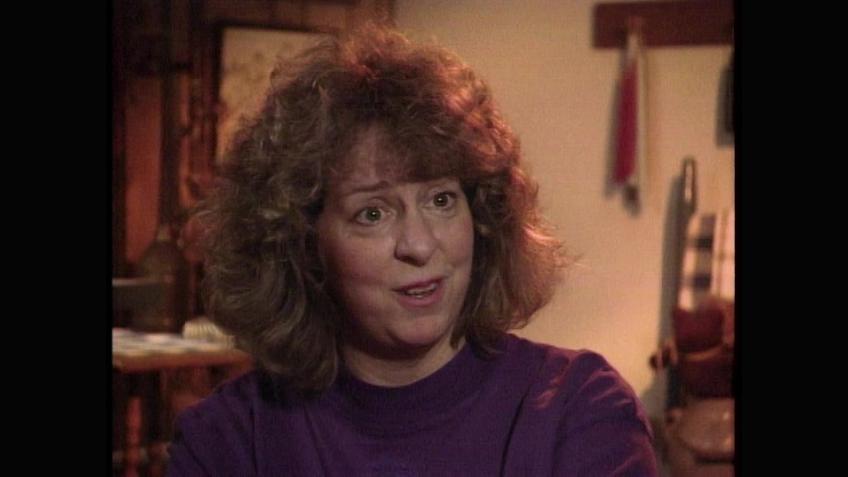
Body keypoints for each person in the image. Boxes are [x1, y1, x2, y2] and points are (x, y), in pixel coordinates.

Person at [167, 25, 658, 476]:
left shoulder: (579, 412)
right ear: (302, 242)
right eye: (373, 213)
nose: (420, 246)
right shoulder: (228, 441)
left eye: (441, 200)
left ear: (483, 217)